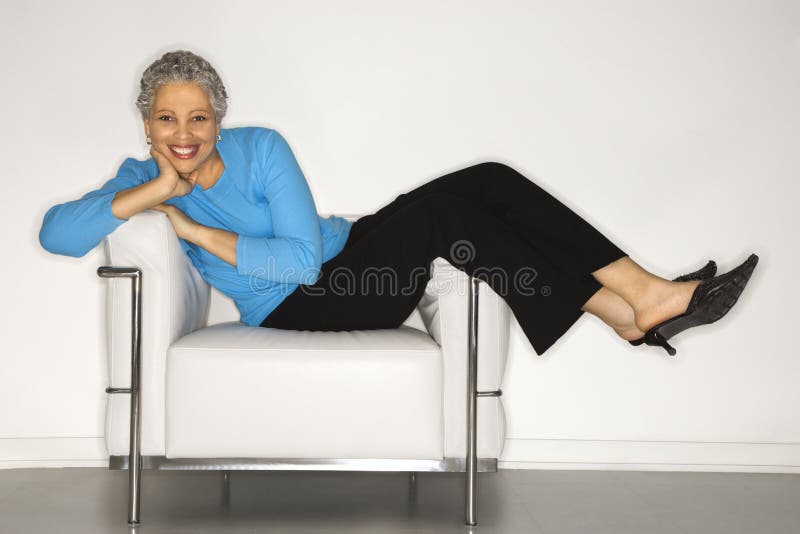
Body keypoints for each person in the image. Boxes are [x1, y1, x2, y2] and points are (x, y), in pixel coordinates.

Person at [38, 49, 759, 357]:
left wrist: (193, 224)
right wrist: (158, 196)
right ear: (146, 123)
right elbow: (56, 235)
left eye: (198, 118)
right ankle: (637, 305)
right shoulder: (137, 177)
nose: (184, 134)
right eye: (168, 119)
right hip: (308, 304)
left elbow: (306, 246)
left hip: (350, 254)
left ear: (219, 119)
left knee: (488, 182)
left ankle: (637, 302)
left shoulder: (261, 150)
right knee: (449, 217)